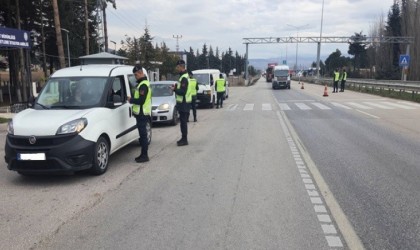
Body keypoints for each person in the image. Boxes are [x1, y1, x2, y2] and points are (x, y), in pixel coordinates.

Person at [128, 64, 151, 163]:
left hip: (142, 114)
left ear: (141, 73)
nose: (135, 77)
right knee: (142, 136)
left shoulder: (144, 85)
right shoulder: (142, 84)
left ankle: (145, 155)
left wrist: (131, 100)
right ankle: (142, 154)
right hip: (141, 113)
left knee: (143, 135)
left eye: (136, 75)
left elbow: (141, 100)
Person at [170, 59, 191, 146]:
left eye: (177, 67)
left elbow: (183, 92)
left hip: (184, 103)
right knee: (182, 122)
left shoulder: (184, 78)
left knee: (183, 122)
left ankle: (184, 139)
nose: (177, 68)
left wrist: (174, 89)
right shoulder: (183, 77)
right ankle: (183, 138)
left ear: (181, 67)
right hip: (183, 102)